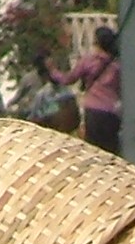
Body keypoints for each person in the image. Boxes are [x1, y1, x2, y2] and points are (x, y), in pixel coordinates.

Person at [45, 24, 122, 152]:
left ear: (96, 43)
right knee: (111, 152)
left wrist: (53, 71)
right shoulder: (117, 65)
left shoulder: (89, 61)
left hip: (93, 111)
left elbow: (68, 79)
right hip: (112, 112)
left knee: (94, 151)